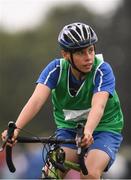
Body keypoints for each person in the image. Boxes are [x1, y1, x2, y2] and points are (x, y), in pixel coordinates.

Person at [1, 22, 124, 179]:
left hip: (104, 128)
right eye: (81, 53)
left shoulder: (102, 70)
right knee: (49, 174)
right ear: (66, 54)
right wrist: (16, 129)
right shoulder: (55, 70)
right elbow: (36, 100)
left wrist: (87, 132)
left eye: (91, 50)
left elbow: (98, 106)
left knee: (90, 174)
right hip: (69, 129)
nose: (89, 58)